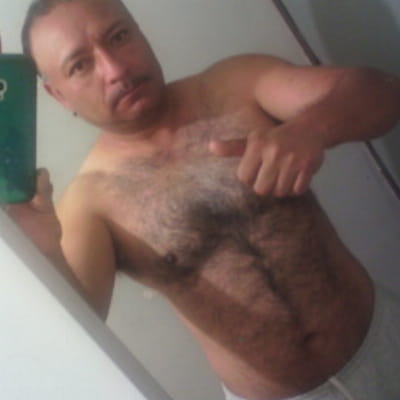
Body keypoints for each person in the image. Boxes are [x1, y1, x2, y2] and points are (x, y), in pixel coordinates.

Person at [5, 0, 400, 399]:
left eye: (119, 36)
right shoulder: (89, 201)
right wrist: (43, 252)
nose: (115, 69)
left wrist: (311, 129)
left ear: (140, 30)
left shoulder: (237, 84)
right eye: (80, 65)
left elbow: (384, 94)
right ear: (59, 96)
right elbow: (81, 326)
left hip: (384, 342)